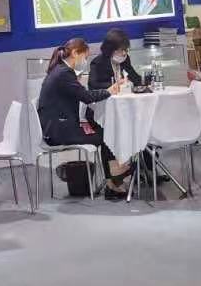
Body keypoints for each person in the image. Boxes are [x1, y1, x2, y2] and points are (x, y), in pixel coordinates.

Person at [36, 37, 130, 200]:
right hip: (60, 132)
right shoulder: (64, 73)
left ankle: (113, 180)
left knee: (103, 132)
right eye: (85, 57)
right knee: (106, 136)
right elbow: (86, 97)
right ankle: (114, 182)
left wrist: (106, 90)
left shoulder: (59, 70)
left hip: (56, 128)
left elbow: (81, 94)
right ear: (75, 53)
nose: (85, 61)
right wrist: (109, 91)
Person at [87, 28, 143, 92]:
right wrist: (115, 84)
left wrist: (145, 81)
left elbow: (135, 77)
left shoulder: (125, 58)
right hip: (107, 96)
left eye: (126, 49)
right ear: (110, 49)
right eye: (121, 50)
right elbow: (92, 85)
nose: (124, 53)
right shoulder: (97, 62)